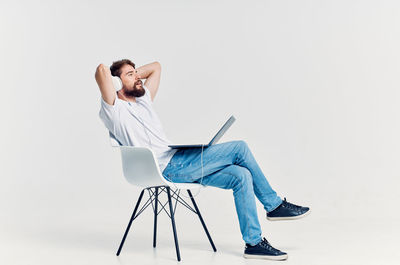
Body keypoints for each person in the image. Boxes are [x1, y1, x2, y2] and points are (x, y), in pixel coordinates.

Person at [95, 59, 310, 261]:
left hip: (180, 160)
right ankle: (273, 205)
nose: (138, 78)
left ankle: (253, 243)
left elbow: (156, 67)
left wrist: (133, 77)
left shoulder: (143, 102)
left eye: (136, 74)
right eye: (130, 75)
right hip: (165, 169)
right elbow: (102, 71)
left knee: (242, 175)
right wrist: (119, 79)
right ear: (116, 82)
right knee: (240, 148)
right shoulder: (114, 110)